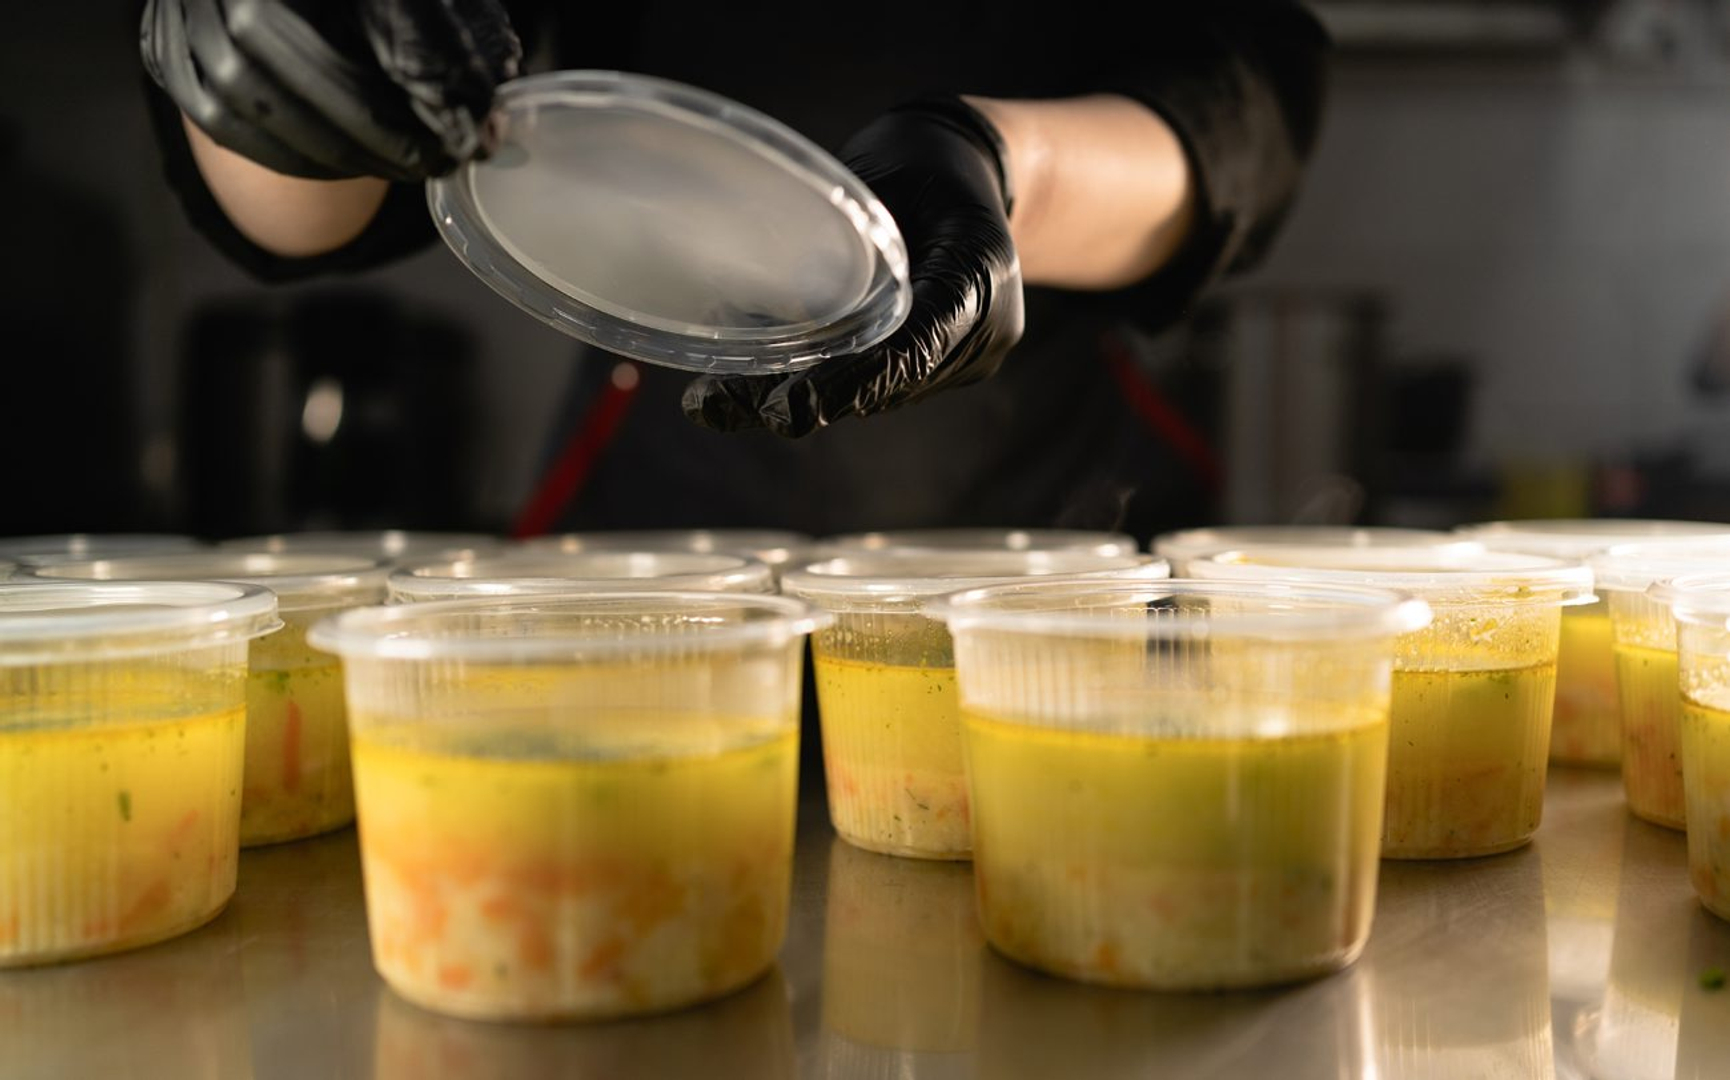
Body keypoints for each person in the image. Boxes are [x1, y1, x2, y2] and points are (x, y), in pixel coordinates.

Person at [140, 0, 1327, 541]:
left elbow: (1239, 104)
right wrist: (268, 49)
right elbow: (317, 207)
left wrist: (1004, 168)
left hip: (1040, 551)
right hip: (650, 543)